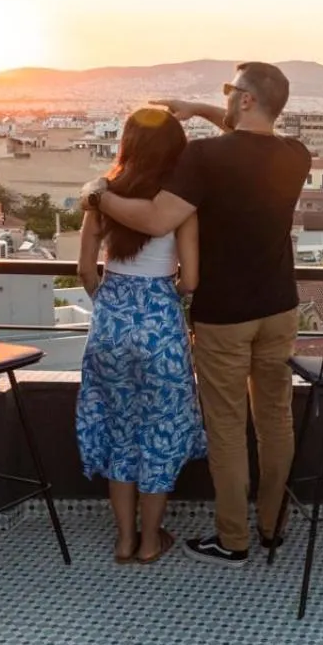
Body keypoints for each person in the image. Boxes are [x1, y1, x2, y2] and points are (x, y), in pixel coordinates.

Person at [84, 63, 311, 566]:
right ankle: (272, 525)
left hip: (224, 314)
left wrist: (98, 194)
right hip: (280, 307)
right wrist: (202, 110)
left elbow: (156, 217)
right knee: (275, 420)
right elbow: (249, 143)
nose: (225, 99)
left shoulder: (204, 156)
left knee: (228, 428)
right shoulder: (296, 155)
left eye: (231, 92)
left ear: (247, 99)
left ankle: (233, 539)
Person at [76, 107, 207, 564]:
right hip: (160, 329)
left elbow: (84, 268)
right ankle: (151, 541)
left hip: (110, 323)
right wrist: (160, 295)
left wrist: (110, 301)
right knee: (159, 434)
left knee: (120, 432)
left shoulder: (101, 196)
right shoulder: (178, 206)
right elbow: (190, 280)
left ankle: (123, 540)